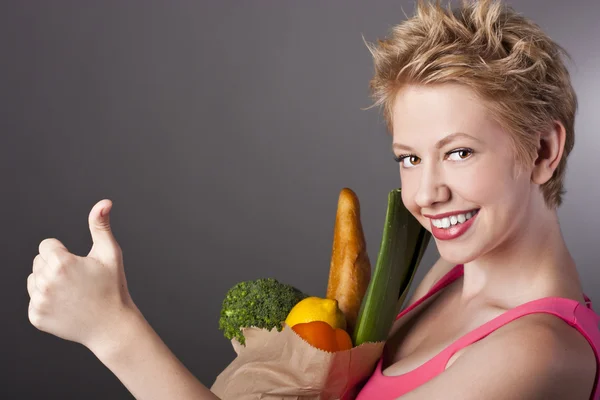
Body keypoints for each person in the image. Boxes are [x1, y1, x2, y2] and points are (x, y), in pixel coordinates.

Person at [26, 0, 599, 399]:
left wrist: (112, 330)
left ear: (544, 150)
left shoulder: (535, 353)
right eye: (409, 157)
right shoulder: (455, 272)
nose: (426, 194)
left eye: (459, 153)